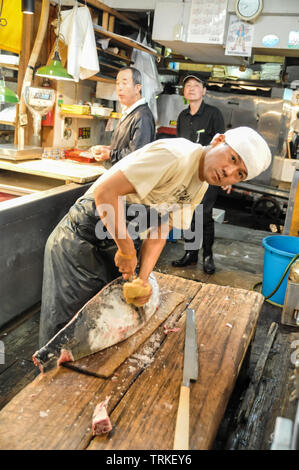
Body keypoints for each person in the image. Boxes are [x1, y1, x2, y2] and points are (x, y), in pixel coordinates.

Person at [38, 127, 271, 346]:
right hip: (79, 244)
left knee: (97, 331)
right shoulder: (175, 155)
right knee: (66, 336)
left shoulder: (200, 185)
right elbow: (105, 192)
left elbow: (161, 229)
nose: (229, 172)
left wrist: (143, 278)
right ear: (218, 140)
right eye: (232, 158)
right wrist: (128, 250)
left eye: (239, 174)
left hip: (113, 247)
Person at [172, 75, 226, 274]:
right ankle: (191, 254)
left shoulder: (214, 114)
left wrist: (223, 175)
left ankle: (208, 256)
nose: (192, 88)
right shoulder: (182, 116)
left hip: (208, 174)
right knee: (189, 214)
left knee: (203, 215)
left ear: (204, 91)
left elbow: (223, 146)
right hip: (188, 175)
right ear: (184, 91)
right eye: (188, 86)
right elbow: (179, 147)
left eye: (196, 86)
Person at [90, 66, 156, 166]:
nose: (119, 88)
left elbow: (137, 155)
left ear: (137, 88)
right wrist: (108, 148)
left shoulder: (142, 116)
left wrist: (110, 154)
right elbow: (126, 146)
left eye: (124, 83)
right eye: (117, 83)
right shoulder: (128, 112)